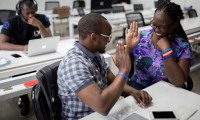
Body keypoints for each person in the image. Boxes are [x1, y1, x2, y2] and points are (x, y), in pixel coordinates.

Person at [57, 13, 152, 120]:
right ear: (94, 37)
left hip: (101, 115)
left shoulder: (95, 55)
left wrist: (134, 92)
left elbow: (113, 82)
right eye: (107, 36)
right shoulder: (74, 64)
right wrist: (124, 70)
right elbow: (102, 107)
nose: (109, 40)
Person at [0, 0, 52, 118]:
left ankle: (43, 97)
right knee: (19, 79)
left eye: (33, 12)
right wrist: (23, 47)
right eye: (27, 13)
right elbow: (1, 44)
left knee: (48, 73)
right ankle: (25, 100)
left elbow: (50, 39)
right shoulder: (11, 22)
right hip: (19, 56)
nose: (31, 16)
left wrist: (39, 25)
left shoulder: (42, 19)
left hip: (39, 54)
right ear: (19, 11)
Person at [126, 1, 194, 90]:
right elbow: (126, 68)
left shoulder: (182, 46)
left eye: (162, 27)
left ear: (175, 25)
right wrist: (129, 49)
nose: (156, 30)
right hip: (140, 88)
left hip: (168, 91)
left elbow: (179, 81)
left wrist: (166, 50)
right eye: (154, 24)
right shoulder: (141, 37)